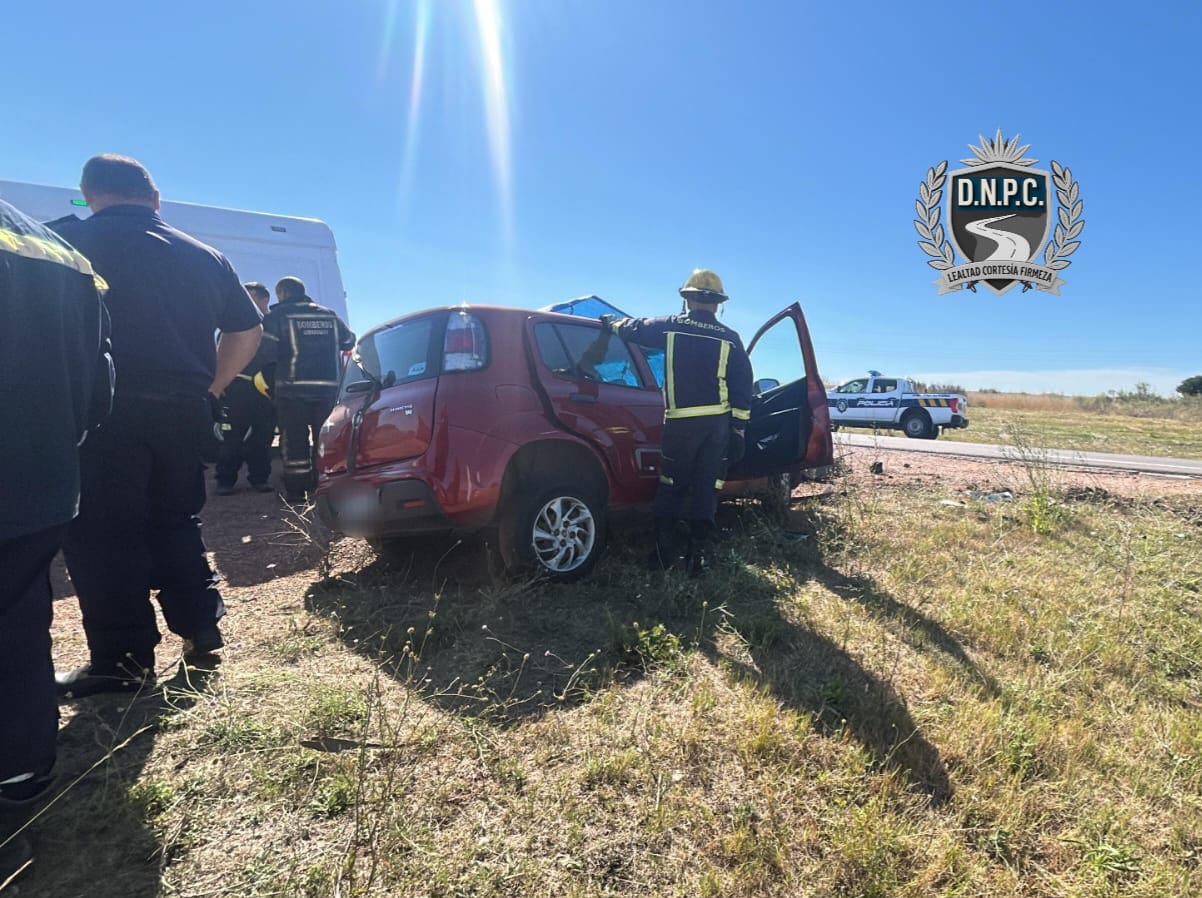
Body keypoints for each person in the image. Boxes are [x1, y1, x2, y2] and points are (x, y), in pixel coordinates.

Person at [49, 154, 263, 699]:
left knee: (103, 533)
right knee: (176, 517)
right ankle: (200, 626)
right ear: (156, 198)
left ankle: (122, 662)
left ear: (89, 193)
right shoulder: (204, 254)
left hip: (101, 410)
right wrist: (210, 389)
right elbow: (246, 330)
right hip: (183, 408)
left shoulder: (66, 244)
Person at [0, 197, 112, 867]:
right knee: (17, 618)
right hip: (42, 477)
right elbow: (101, 383)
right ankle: (21, 769)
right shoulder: (62, 253)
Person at [598, 269, 752, 574]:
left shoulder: (669, 326)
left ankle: (662, 552)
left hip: (680, 424)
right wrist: (738, 429)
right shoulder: (730, 338)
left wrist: (610, 323)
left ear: (688, 298)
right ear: (719, 303)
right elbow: (743, 386)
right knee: (707, 487)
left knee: (671, 486)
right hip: (716, 426)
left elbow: (632, 329)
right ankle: (698, 558)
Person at [261, 276, 355, 502]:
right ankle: (326, 484)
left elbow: (266, 353)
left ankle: (297, 490)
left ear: (282, 293)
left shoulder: (277, 317)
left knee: (294, 439)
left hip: (292, 389)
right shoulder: (329, 315)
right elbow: (349, 341)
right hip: (327, 388)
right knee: (325, 438)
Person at [215, 282, 277, 494]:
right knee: (231, 437)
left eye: (250, 298)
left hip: (265, 391)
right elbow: (219, 354)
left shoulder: (276, 324)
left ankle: (259, 479)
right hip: (236, 388)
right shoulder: (234, 323)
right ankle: (225, 481)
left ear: (264, 299)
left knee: (263, 436)